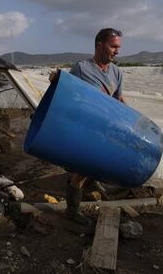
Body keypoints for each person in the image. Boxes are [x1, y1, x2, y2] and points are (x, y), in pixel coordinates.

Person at [49, 28, 125, 226]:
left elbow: (119, 99)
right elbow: (66, 94)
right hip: (85, 129)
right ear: (100, 45)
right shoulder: (82, 68)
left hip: (105, 128)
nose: (117, 51)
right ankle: (72, 211)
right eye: (113, 46)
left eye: (118, 47)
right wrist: (57, 80)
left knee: (99, 163)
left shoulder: (116, 72)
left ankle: (92, 183)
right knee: (82, 170)